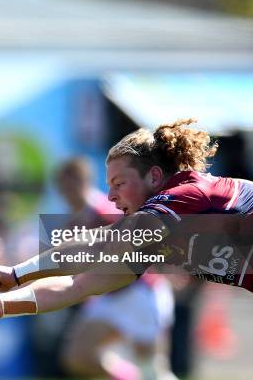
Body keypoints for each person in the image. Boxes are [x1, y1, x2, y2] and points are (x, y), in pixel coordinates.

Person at [0, 118, 253, 364]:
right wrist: (2, 305)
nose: (111, 196)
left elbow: (99, 243)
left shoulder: (184, 194)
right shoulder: (157, 234)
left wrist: (18, 273)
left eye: (119, 183)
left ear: (155, 178)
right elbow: (78, 287)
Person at [54, 158, 175, 380]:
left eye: (71, 185)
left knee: (153, 370)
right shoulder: (71, 223)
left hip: (139, 293)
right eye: (63, 188)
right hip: (108, 297)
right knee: (77, 356)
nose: (67, 193)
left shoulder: (107, 211)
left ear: (84, 182)